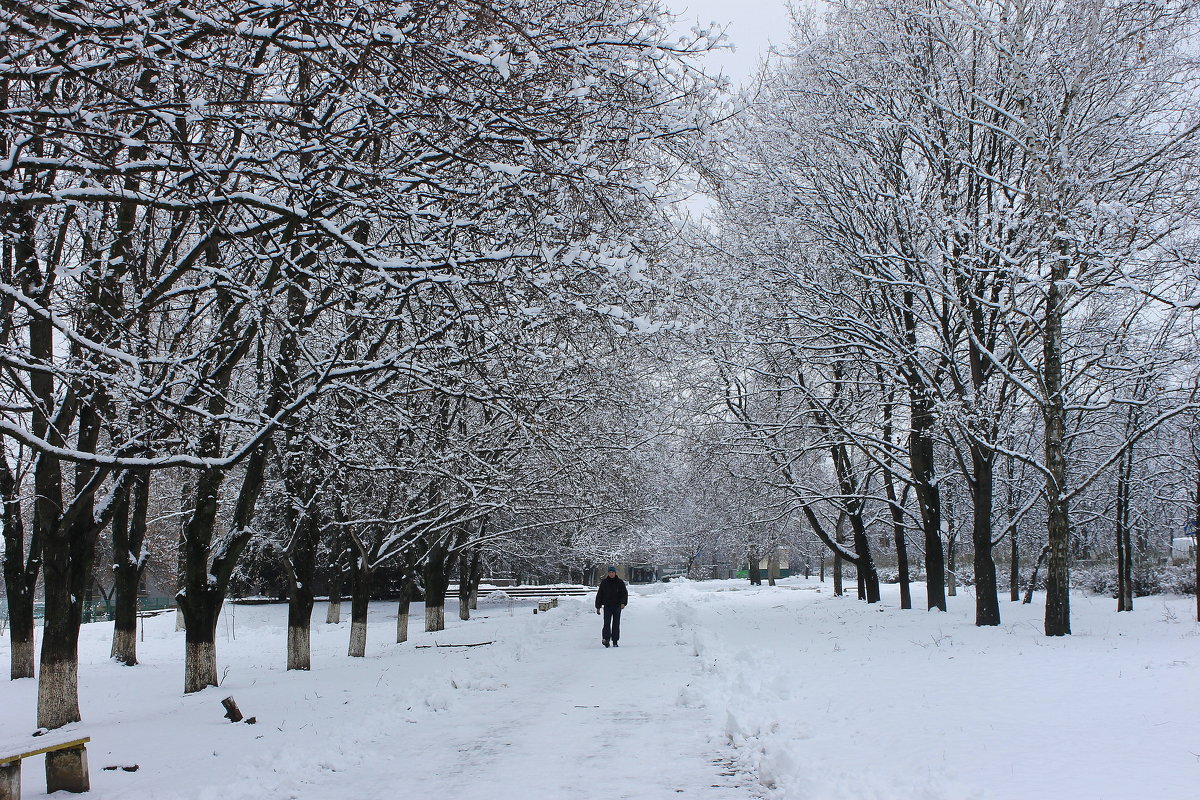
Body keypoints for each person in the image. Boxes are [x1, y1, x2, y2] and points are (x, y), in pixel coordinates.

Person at [594, 566, 628, 647]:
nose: (611, 574)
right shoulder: (604, 583)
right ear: (608, 573)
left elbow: (624, 594)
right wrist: (598, 606)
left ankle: (615, 641)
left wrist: (623, 603)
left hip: (617, 606)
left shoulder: (620, 582)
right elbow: (600, 595)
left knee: (616, 624)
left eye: (613, 572)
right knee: (606, 623)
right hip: (607, 606)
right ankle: (606, 639)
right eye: (610, 572)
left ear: (615, 573)